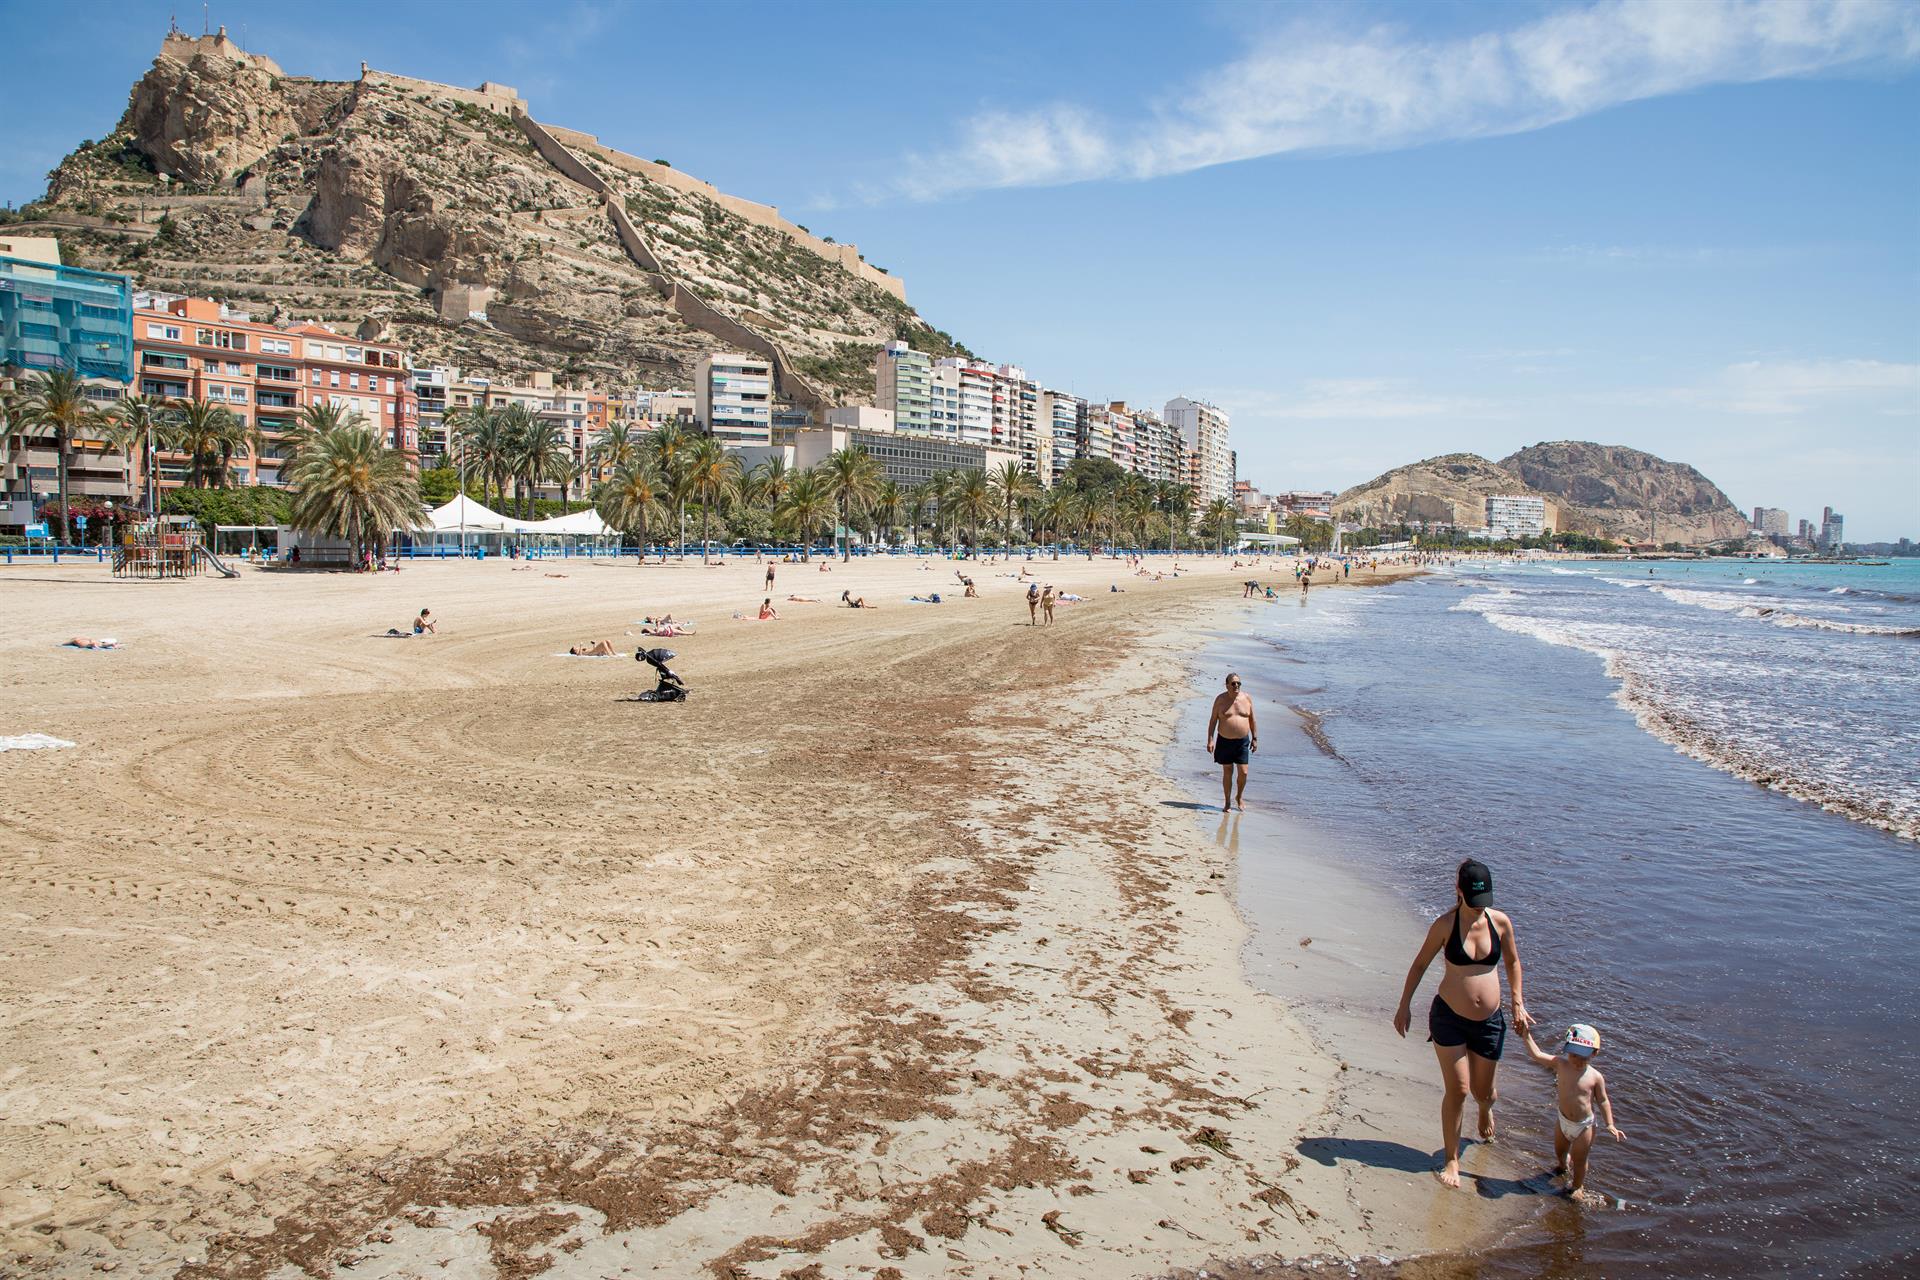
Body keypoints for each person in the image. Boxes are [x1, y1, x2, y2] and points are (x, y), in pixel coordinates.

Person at [1392, 860, 1532, 1188]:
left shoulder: (1500, 923)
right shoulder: (1444, 925)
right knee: (1459, 1089)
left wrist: (1518, 1002)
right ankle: (1451, 1159)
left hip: (1489, 1024)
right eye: (1474, 900)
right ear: (1459, 891)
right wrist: (1404, 1005)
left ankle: (1485, 1110)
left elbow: (1512, 962)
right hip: (1449, 1018)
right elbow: (1420, 965)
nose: (1481, 908)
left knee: (1484, 1093)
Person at [1519, 1023, 1624, 1204]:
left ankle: (1577, 1186)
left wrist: (1610, 1123)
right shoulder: (1560, 1064)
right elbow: (1536, 1055)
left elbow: (1603, 1101)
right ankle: (1562, 1166)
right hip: (1563, 1120)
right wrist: (1526, 1035)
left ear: (1594, 1053)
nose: (1576, 1061)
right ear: (1567, 1051)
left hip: (1584, 1126)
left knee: (1580, 1159)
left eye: (1583, 1057)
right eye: (1573, 1055)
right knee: (1560, 1151)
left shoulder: (1595, 1077)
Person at [1204, 673, 1256, 811]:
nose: (1236, 686)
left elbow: (1252, 719)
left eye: (1238, 683)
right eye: (1233, 683)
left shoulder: (1246, 699)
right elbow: (1213, 720)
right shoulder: (1220, 700)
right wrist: (1210, 739)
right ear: (1227, 685)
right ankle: (1227, 802)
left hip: (1242, 742)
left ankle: (1239, 796)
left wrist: (1255, 738)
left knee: (1243, 772)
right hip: (1224, 740)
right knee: (1228, 771)